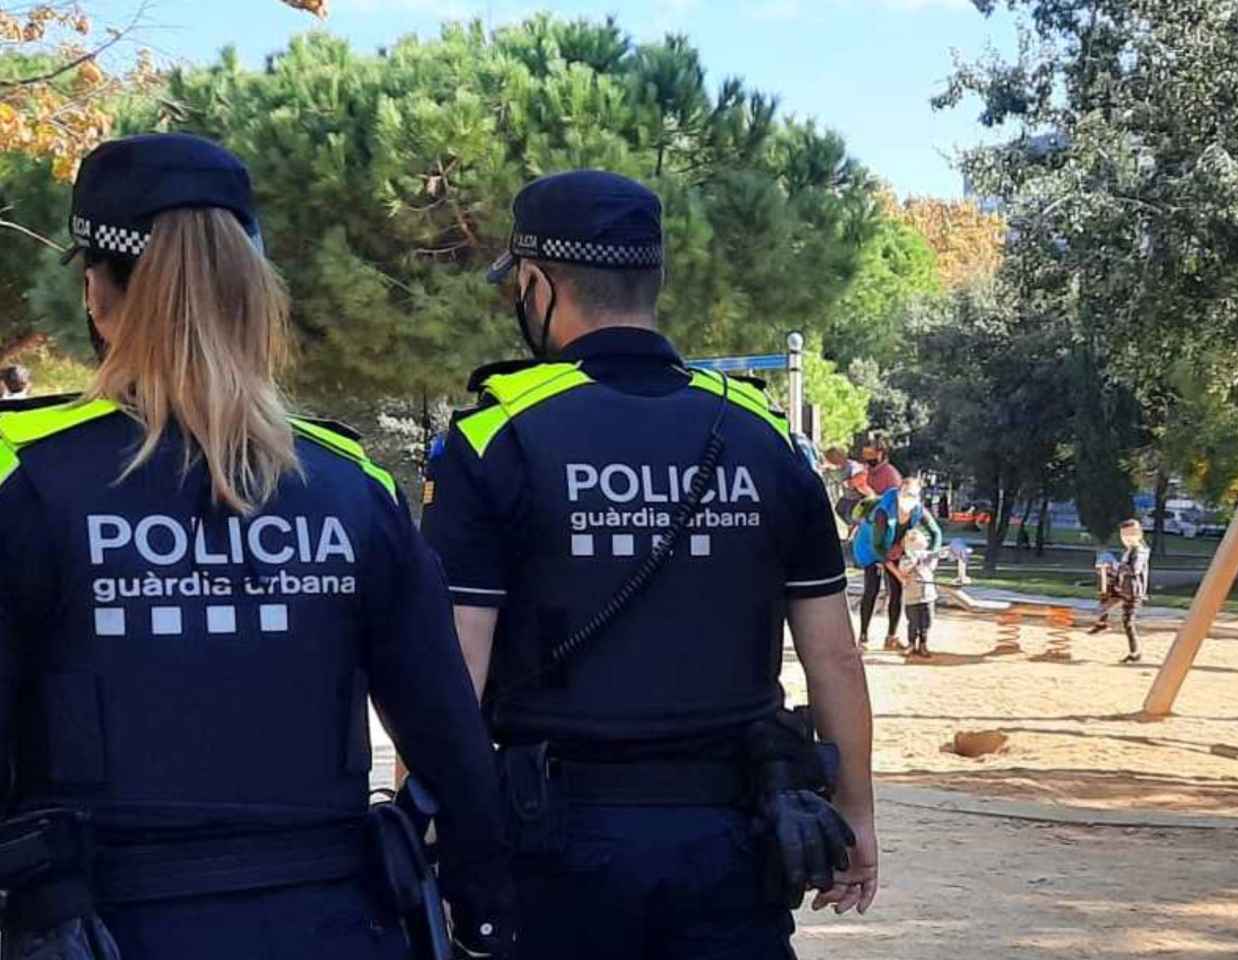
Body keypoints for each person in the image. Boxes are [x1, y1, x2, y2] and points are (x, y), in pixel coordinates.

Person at [0, 133, 511, 958]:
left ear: (96, 291)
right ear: (252, 289)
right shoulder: (353, 488)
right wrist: (484, 899)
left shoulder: (24, 483)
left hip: (104, 927)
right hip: (333, 923)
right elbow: (448, 734)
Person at [421, 169, 877, 959]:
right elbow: (834, 652)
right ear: (653, 280)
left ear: (536, 284)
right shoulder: (764, 433)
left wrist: (429, 827)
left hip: (556, 845)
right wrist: (857, 814)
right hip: (736, 838)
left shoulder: (495, 437)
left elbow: (456, 665)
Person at [851, 476, 943, 650]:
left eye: (914, 495)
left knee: (897, 591)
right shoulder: (883, 512)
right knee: (872, 588)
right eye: (906, 494)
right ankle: (863, 638)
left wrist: (931, 558)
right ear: (899, 493)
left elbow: (936, 533)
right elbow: (877, 546)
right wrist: (896, 571)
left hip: (894, 547)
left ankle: (891, 637)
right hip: (870, 547)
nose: (910, 499)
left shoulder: (917, 509)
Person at [1090, 519, 1150, 664]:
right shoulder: (1130, 550)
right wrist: (1109, 570)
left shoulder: (1139, 551)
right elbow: (1122, 571)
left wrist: (1116, 566)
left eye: (1131, 534)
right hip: (1124, 588)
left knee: (1128, 622)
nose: (1127, 538)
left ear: (1139, 534)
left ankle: (1135, 653)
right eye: (1124, 535)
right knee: (1105, 597)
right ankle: (1101, 623)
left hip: (1133, 591)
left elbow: (1134, 569)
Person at [895, 528, 941, 659]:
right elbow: (903, 571)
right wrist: (913, 561)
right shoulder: (905, 559)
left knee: (926, 622)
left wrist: (930, 557)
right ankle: (911, 644)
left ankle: (923, 644)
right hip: (912, 597)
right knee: (913, 622)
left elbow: (933, 564)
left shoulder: (927, 558)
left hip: (927, 597)